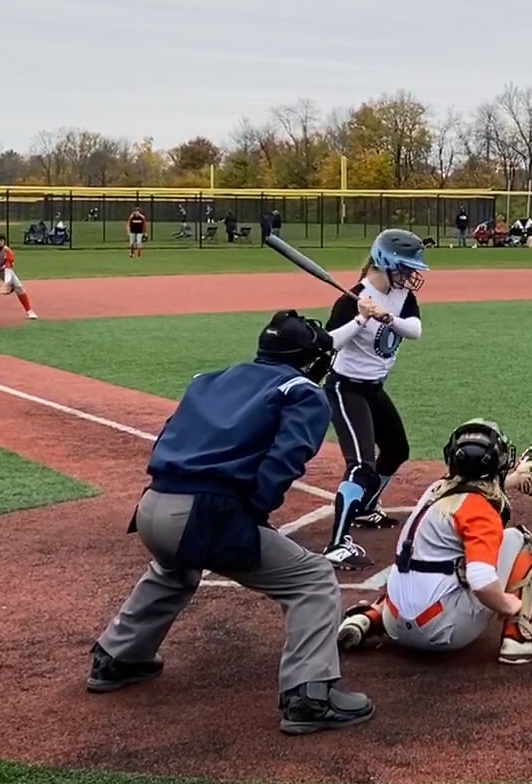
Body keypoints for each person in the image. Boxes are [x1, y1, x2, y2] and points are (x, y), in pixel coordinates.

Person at [87, 311, 373, 734]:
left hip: (151, 507)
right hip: (204, 514)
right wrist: (254, 511)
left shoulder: (209, 380)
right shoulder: (302, 391)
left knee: (174, 568)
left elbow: (169, 436)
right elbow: (286, 458)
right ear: (309, 358)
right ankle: (311, 696)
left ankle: (117, 657)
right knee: (312, 578)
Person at [335, 420, 532, 664]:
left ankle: (369, 617)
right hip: (438, 633)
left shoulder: (436, 489)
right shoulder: (479, 511)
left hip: (395, 623)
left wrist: (518, 479)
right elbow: (481, 581)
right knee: (522, 541)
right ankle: (519, 639)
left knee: (415, 568)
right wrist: (508, 604)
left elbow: (472, 484)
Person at [321, 230, 428, 570]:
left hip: (373, 388)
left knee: (396, 450)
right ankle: (337, 544)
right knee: (360, 466)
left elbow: (415, 330)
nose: (411, 275)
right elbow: (329, 343)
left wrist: (386, 317)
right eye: (406, 268)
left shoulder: (402, 296)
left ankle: (365, 507)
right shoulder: (351, 300)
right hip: (345, 388)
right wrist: (360, 318)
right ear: (386, 263)